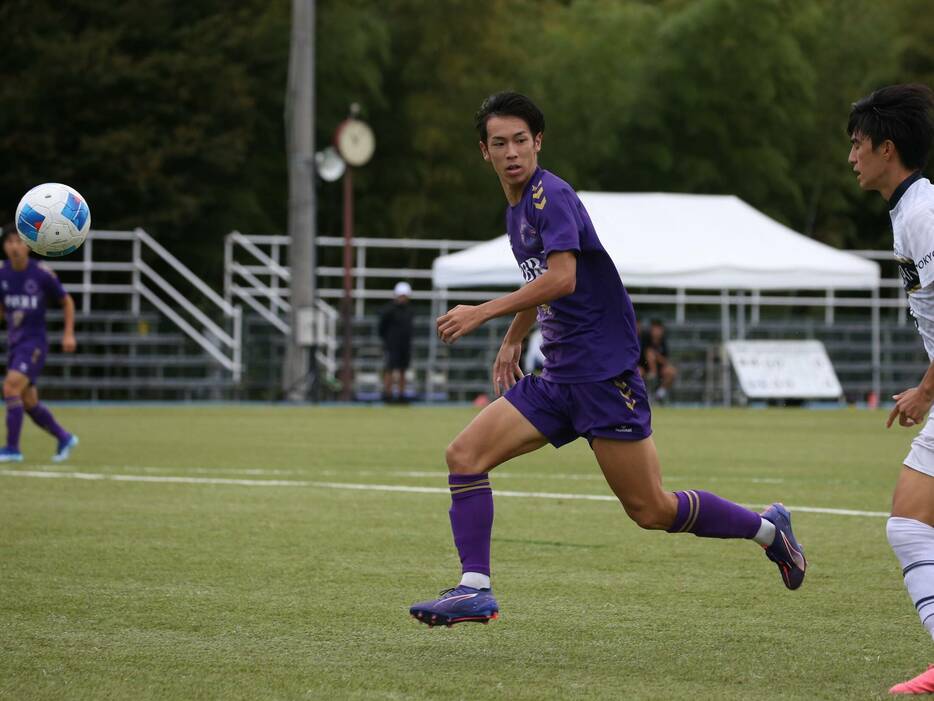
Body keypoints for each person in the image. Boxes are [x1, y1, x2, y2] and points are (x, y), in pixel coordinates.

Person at [409, 92, 806, 628]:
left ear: (538, 142)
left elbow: (564, 277)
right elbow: (540, 283)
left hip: (603, 377)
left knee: (652, 510)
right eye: (499, 143)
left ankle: (768, 529)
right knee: (464, 455)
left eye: (520, 141)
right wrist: (512, 338)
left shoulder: (551, 195)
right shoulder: (516, 210)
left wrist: (482, 313)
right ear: (483, 151)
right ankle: (474, 588)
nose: (511, 152)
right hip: (557, 378)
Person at [847, 84, 934, 695]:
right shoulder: (911, 211)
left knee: (907, 526)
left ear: (887, 147)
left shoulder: (923, 213)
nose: (851, 157)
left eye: (857, 145)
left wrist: (927, 392)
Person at [0, 224, 79, 462]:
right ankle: (64, 437)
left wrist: (68, 334)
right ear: (4, 246)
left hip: (34, 344)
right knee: (27, 401)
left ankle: (12, 449)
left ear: (29, 245)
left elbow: (67, 302)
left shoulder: (42, 274)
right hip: (15, 343)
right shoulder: (2, 274)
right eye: (10, 242)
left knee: (10, 388)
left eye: (19, 241)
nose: (15, 246)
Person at [378, 281, 415, 403]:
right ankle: (387, 395)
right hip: (392, 345)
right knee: (390, 369)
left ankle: (401, 395)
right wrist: (387, 341)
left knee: (403, 370)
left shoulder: (409, 311)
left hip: (405, 345)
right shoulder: (388, 310)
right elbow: (382, 328)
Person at [639, 318, 678, 403]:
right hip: (644, 368)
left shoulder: (663, 341)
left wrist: (656, 356)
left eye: (659, 329)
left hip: (659, 369)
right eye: (655, 328)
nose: (657, 331)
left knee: (671, 371)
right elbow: (644, 355)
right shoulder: (644, 338)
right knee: (638, 372)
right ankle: (644, 395)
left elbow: (665, 360)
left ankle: (659, 395)